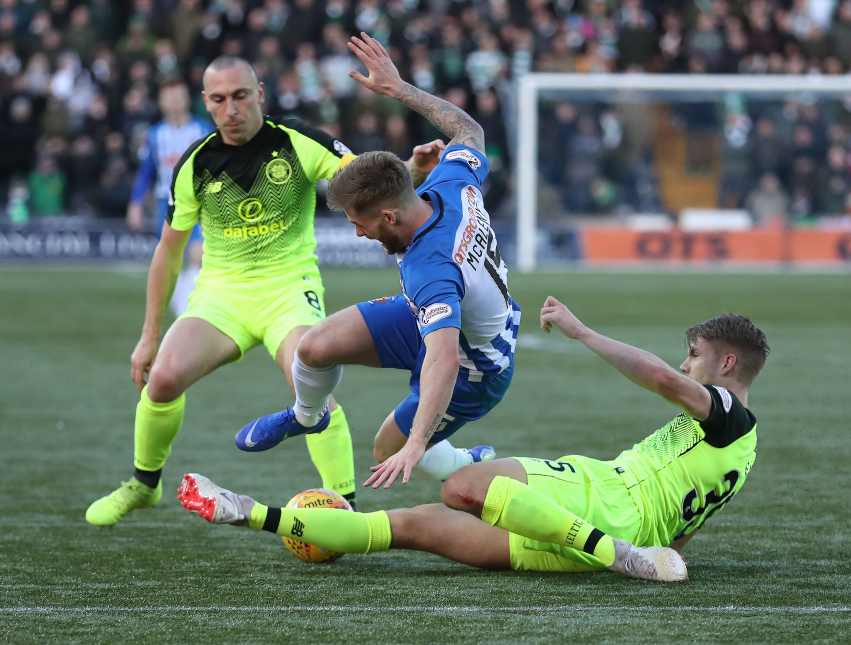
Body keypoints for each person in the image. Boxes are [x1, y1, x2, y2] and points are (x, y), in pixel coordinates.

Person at [86, 55, 444, 526]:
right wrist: (149, 334)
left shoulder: (298, 141)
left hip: (287, 290)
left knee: (309, 382)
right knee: (163, 378)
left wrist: (412, 171)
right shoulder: (194, 163)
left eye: (239, 95)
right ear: (206, 104)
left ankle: (346, 510)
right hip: (221, 296)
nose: (231, 108)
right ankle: (143, 485)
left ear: (259, 93)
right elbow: (168, 252)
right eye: (219, 99)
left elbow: (371, 181)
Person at [178, 301, 769, 582]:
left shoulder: (726, 411)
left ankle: (619, 555)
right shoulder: (741, 457)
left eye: (695, 356)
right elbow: (689, 526)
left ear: (728, 363)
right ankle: (244, 511)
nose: (684, 365)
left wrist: (580, 328)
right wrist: (670, 547)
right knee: (404, 528)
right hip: (591, 531)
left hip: (605, 500)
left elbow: (662, 380)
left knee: (463, 485)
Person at [234, 34, 517, 488]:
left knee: (388, 447)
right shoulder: (448, 179)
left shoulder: (431, 270)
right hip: (441, 318)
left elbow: (442, 361)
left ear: (389, 214)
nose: (357, 232)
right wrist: (401, 90)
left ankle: (464, 461)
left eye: (359, 222)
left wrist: (416, 444)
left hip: (474, 365)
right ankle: (308, 417)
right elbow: (470, 131)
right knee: (312, 347)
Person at [127, 79, 214, 317]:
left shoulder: (204, 130)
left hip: (200, 203)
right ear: (161, 102)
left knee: (199, 255)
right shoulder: (155, 135)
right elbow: (146, 172)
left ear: (188, 99)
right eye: (170, 97)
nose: (175, 102)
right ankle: (181, 307)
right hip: (166, 205)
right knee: (170, 262)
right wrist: (135, 204)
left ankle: (189, 311)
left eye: (180, 96)